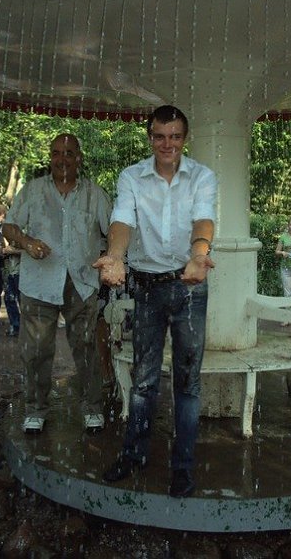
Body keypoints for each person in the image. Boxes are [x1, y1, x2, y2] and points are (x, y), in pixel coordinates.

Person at [94, 105, 218, 498]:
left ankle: (183, 467)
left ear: (185, 138)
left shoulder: (202, 176)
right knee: (144, 380)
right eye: (160, 136)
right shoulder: (132, 176)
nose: (168, 144)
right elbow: (122, 220)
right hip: (146, 287)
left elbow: (203, 220)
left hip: (189, 287)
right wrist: (115, 256)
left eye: (175, 136)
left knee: (188, 383)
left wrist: (199, 255)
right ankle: (134, 454)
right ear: (150, 138)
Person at [3, 133, 112, 433]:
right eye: (56, 153)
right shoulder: (32, 190)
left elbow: (114, 228)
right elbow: (9, 226)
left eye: (68, 153)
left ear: (79, 158)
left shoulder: (94, 194)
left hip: (82, 281)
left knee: (86, 347)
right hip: (39, 282)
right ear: (50, 157)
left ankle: (92, 407)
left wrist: (111, 256)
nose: (62, 159)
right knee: (36, 350)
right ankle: (35, 409)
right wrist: (27, 242)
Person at [2, 239, 21, 337]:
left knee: (22, 301)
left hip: (20, 272)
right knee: (9, 299)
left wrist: (12, 251)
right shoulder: (10, 237)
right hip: (11, 272)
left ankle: (23, 328)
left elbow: (28, 251)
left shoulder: (24, 235)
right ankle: (15, 326)